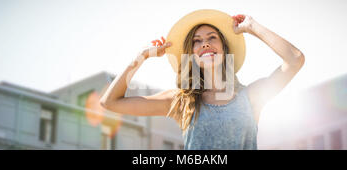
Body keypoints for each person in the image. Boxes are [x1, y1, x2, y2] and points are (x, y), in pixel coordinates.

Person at [100, 9, 305, 150]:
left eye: (212, 37)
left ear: (225, 49)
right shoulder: (181, 102)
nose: (204, 44)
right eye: (197, 42)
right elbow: (110, 102)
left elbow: (295, 59)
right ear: (192, 55)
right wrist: (141, 56)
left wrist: (252, 26)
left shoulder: (250, 97)